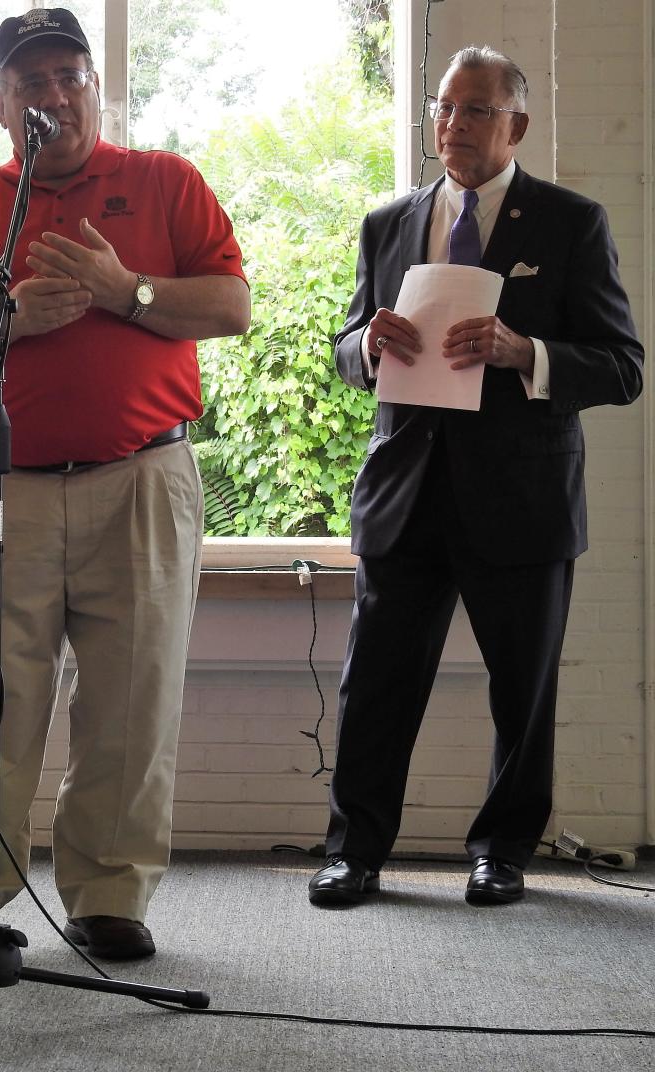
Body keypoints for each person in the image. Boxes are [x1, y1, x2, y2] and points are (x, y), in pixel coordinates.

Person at [0, 8, 250, 963]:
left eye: (68, 75)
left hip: (141, 481)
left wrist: (121, 289)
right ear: (3, 104)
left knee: (132, 698)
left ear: (96, 85)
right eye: (31, 82)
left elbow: (230, 304)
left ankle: (109, 895)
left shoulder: (165, 182)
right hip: (3, 487)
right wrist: (2, 317)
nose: (53, 95)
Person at [308, 45, 643, 909]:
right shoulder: (388, 224)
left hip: (522, 502)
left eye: (475, 110)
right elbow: (345, 350)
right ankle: (356, 853)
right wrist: (367, 346)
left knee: (520, 692)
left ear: (517, 125)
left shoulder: (572, 223)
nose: (452, 126)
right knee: (375, 685)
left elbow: (620, 367)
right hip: (404, 496)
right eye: (444, 109)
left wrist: (521, 351)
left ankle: (502, 852)